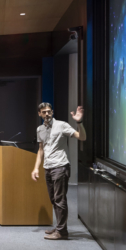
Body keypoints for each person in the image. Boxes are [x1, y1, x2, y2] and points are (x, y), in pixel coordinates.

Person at [32, 103, 85, 240]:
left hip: (60, 166)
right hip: (47, 168)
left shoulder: (61, 125)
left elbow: (82, 137)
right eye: (44, 112)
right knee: (54, 200)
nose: (47, 114)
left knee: (60, 199)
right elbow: (41, 150)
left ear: (52, 112)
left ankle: (62, 231)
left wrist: (79, 122)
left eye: (49, 111)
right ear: (39, 114)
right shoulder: (40, 129)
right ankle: (60, 227)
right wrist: (36, 168)